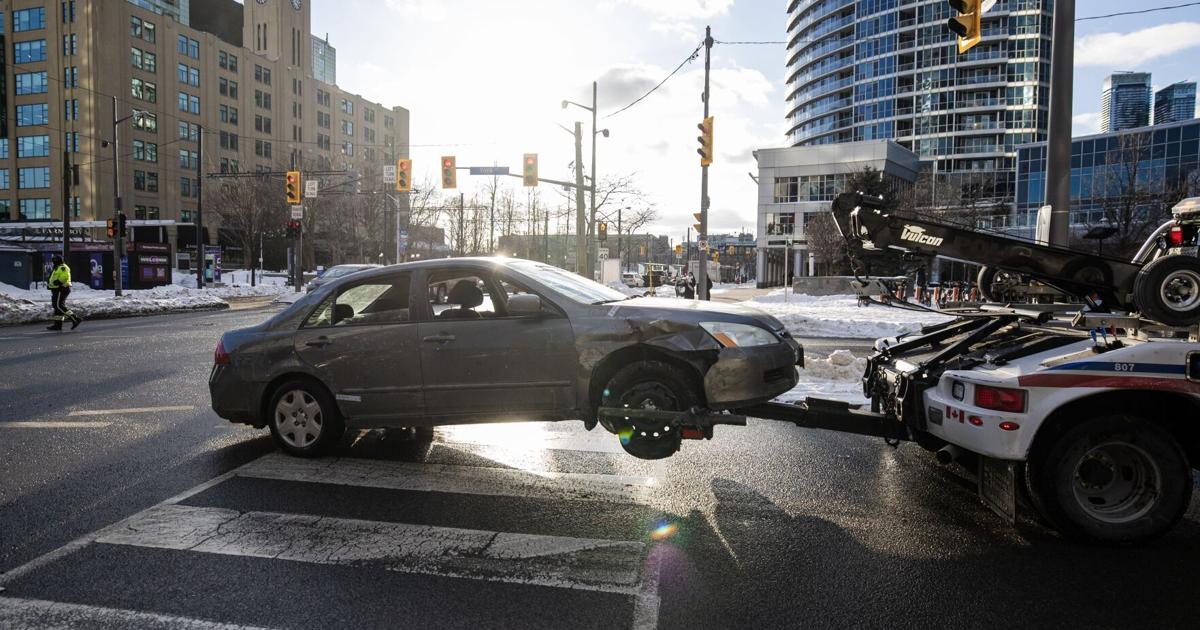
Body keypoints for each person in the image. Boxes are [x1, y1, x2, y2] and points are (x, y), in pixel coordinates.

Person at [47, 255, 82, 331]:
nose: (53, 262)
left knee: (59, 306)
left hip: (61, 289)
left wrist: (58, 282)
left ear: (58, 260)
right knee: (57, 307)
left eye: (54, 261)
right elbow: (53, 278)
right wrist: (50, 285)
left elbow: (65, 277)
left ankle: (75, 318)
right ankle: (58, 325)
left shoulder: (62, 267)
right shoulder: (57, 267)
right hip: (56, 289)